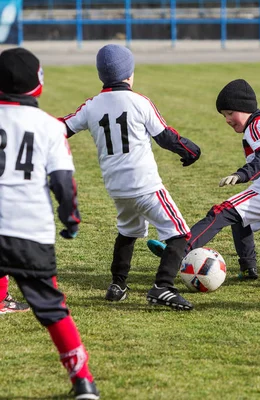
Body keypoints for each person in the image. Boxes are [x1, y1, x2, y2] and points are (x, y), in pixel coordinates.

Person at [61, 44, 200, 310]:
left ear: (101, 74)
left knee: (128, 231)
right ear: (129, 74)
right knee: (179, 232)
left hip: (117, 187)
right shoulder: (140, 101)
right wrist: (191, 150)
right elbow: (166, 136)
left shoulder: (91, 105)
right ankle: (163, 287)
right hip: (145, 184)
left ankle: (118, 284)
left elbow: (63, 127)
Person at [0, 48, 99, 398]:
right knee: (54, 311)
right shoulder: (48, 126)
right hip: (30, 229)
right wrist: (70, 218)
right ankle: (83, 382)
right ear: (37, 84)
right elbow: (62, 182)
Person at [147, 79, 260, 280]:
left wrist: (241, 174)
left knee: (221, 212)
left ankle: (177, 251)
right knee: (240, 219)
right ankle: (248, 268)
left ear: (244, 108)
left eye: (229, 113)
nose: (227, 119)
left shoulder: (255, 127)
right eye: (224, 115)